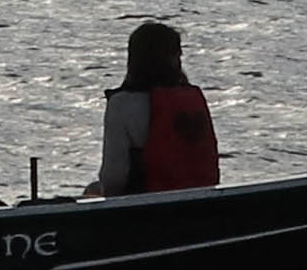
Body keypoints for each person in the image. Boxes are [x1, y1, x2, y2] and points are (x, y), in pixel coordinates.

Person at [88, 19, 221, 196]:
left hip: (145, 205)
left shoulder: (121, 104)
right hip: (200, 200)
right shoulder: (194, 98)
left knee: (92, 190)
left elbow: (113, 179)